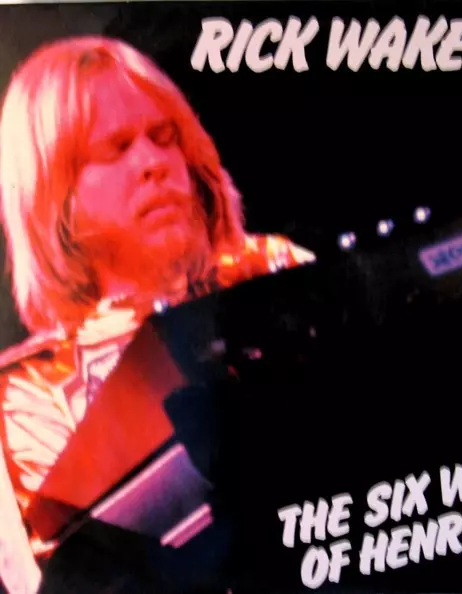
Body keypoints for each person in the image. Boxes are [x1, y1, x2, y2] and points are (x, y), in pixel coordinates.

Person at [0, 35, 315, 593]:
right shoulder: (24, 397)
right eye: (116, 148)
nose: (153, 164)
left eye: (164, 137)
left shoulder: (273, 268)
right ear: (54, 194)